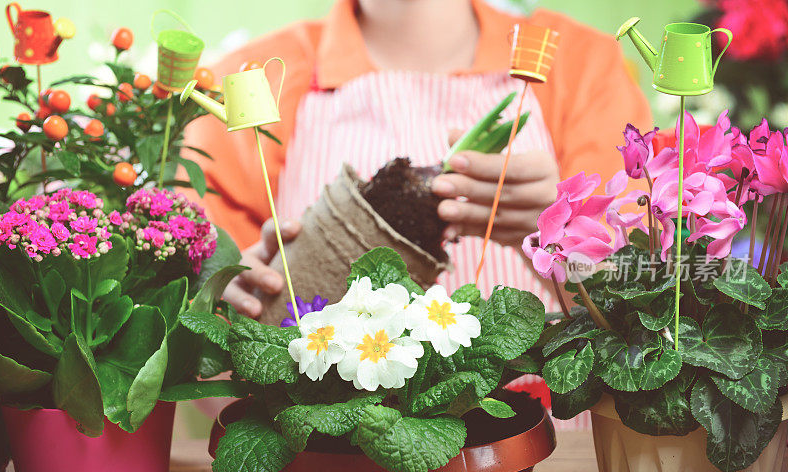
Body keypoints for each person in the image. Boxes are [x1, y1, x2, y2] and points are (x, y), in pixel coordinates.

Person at [185, 0, 651, 320]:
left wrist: (567, 247)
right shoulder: (254, 80)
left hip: (547, 454)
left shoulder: (578, 64)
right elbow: (206, 354)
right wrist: (231, 297)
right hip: (328, 456)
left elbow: (646, 306)